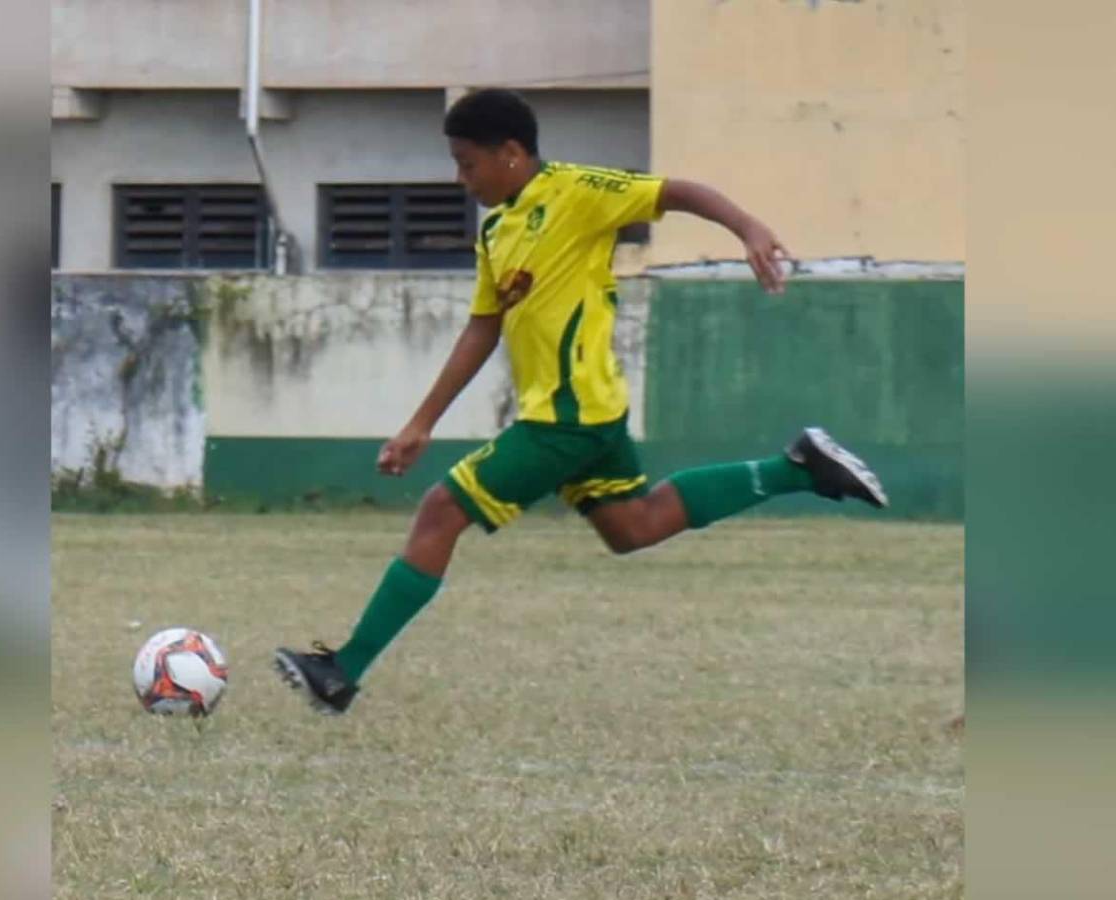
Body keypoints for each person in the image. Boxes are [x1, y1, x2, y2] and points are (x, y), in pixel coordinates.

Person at [275, 88, 887, 714]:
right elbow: (483, 328)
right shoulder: (495, 234)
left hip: (567, 416)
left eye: (468, 164)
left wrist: (747, 226)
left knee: (440, 513)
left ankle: (343, 669)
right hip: (583, 411)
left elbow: (675, 192)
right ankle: (796, 467)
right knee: (633, 527)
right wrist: (421, 423)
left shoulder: (578, 191)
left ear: (511, 153)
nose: (462, 180)